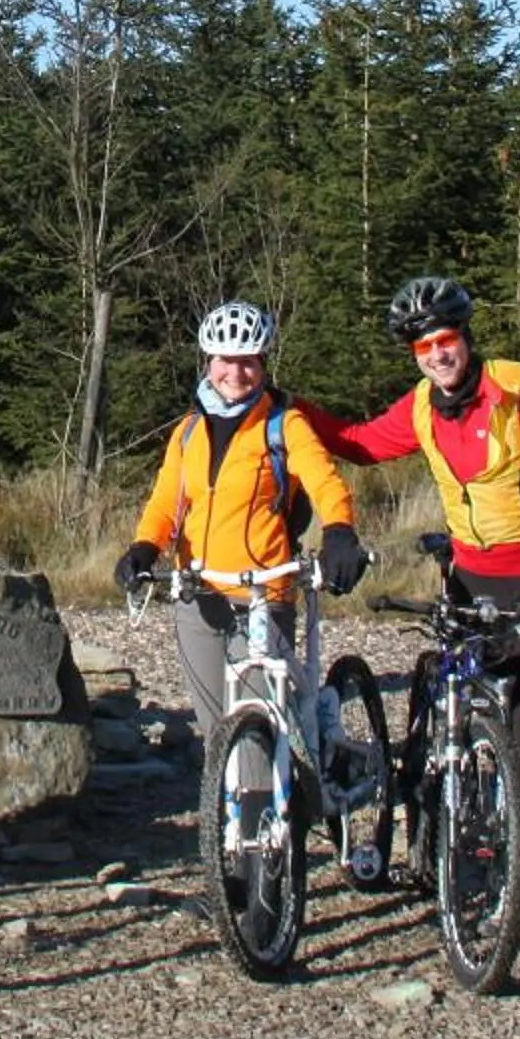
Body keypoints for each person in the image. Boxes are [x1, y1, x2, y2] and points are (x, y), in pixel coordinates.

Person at [317, 273, 520, 960]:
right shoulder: (422, 406)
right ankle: (436, 831)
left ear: (467, 339)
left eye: (447, 341)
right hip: (471, 576)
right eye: (424, 346)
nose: (438, 355)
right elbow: (358, 443)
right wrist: (288, 408)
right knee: (445, 694)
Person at [113, 299, 369, 749]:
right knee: (217, 737)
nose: (235, 372)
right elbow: (165, 503)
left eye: (247, 361)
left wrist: (340, 532)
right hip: (198, 591)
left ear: (263, 363)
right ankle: (230, 818)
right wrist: (144, 548)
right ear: (209, 361)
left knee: (254, 736)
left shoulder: (284, 425)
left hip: (261, 594)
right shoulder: (189, 431)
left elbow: (325, 482)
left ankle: (276, 813)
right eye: (225, 360)